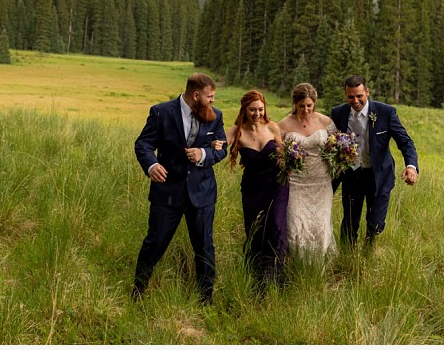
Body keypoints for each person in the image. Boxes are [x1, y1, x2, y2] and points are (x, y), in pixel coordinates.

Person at [132, 73, 227, 303]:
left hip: (202, 194)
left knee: (204, 247)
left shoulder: (216, 117)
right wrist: (152, 164)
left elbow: (222, 149)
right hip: (167, 193)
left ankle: (206, 299)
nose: (213, 101)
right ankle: (138, 292)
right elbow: (143, 143)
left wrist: (203, 153)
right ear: (196, 95)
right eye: (210, 97)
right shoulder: (161, 112)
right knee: (154, 243)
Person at [330, 75, 418, 247]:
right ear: (345, 95)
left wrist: (411, 166)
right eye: (350, 97)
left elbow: (405, 142)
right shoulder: (338, 113)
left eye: (359, 96)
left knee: (375, 223)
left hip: (378, 175)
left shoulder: (385, 113)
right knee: (349, 221)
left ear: (367, 92)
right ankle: (348, 258)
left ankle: (368, 251)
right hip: (352, 175)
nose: (355, 101)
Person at [223, 90, 289, 291]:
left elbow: (284, 154)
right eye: (253, 109)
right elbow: (216, 146)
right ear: (244, 109)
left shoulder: (272, 127)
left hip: (277, 185)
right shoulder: (236, 131)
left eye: (261, 109)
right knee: (255, 230)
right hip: (252, 188)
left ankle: (277, 278)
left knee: (277, 226)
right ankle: (257, 277)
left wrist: (288, 160)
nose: (257, 113)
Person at [278, 82, 339, 258]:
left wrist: (339, 162)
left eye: (309, 105)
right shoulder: (283, 125)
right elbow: (277, 152)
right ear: (295, 104)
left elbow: (336, 147)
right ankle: (297, 265)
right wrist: (284, 165)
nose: (305, 110)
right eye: (301, 106)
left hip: (321, 182)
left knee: (320, 225)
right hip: (296, 183)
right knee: (296, 224)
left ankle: (318, 269)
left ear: (314, 103)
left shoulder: (326, 122)